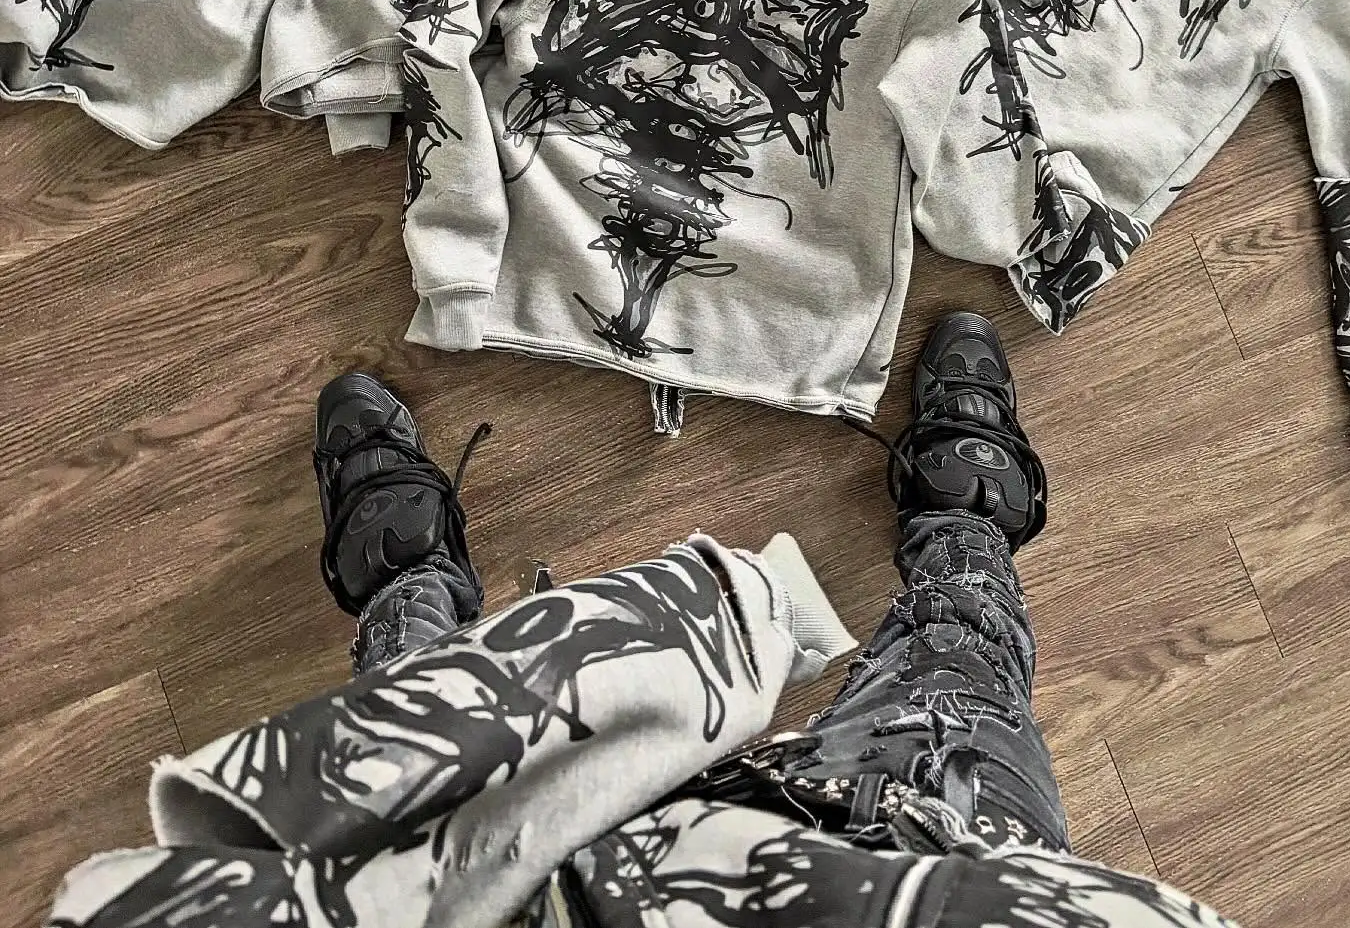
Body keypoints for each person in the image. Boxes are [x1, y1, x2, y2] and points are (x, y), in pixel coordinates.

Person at [48, 316, 1235, 926]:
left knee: (417, 753)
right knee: (959, 665)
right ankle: (962, 519)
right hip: (941, 851)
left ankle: (407, 581)